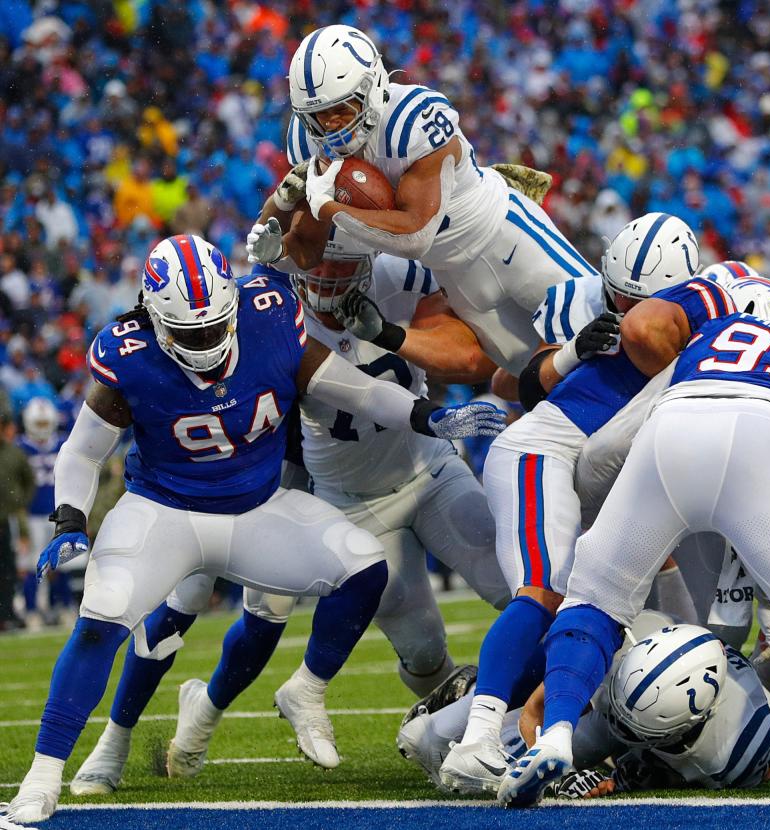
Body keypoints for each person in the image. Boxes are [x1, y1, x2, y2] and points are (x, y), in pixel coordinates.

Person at [0, 233, 503, 825]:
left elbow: (352, 387)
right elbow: (82, 453)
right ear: (156, 320)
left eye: (216, 325)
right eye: (191, 334)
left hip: (259, 508)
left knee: (365, 566)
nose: (209, 342)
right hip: (165, 511)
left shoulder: (267, 313)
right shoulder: (128, 352)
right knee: (104, 615)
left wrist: (427, 415)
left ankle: (305, 690)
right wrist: (69, 520)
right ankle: (43, 774)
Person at [500, 281, 770, 806]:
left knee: (593, 601)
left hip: (670, 431)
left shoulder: (725, 325)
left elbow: (621, 432)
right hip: (761, 442)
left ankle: (555, 736)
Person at [438, 212, 704, 794]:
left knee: (594, 607)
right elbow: (514, 383)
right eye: (619, 298)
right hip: (542, 455)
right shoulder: (580, 301)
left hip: (587, 472)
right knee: (543, 593)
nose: (629, 315)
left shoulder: (694, 328)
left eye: (642, 305)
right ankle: (476, 740)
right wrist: (571, 354)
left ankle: (468, 727)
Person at [247, 24, 598, 377]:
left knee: (602, 329)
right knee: (542, 378)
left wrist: (330, 207)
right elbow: (310, 246)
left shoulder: (410, 119)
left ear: (372, 87)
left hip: (504, 239)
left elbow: (416, 236)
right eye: (319, 116)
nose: (331, 125)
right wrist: (279, 252)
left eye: (342, 108)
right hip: (455, 277)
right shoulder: (308, 144)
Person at [400, 614, 770, 795]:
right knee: (433, 742)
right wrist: (536, 712)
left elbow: (666, 772)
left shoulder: (725, 757)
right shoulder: (655, 635)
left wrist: (618, 781)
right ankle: (466, 700)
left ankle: (460, 713)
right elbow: (568, 670)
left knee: (532, 771)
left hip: (667, 732)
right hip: (620, 669)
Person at [16, 396, 71, 627]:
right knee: (30, 565)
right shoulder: (20, 447)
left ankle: (63, 606)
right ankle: (31, 610)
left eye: (43, 423)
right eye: (37, 424)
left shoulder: (63, 443)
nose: (41, 429)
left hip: (56, 513)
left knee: (60, 563)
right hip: (30, 514)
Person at [0, 408, 33, 631]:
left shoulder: (14, 453)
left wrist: (20, 501)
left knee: (8, 569)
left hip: (5, 521)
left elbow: (29, 480)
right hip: (7, 517)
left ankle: (7, 613)